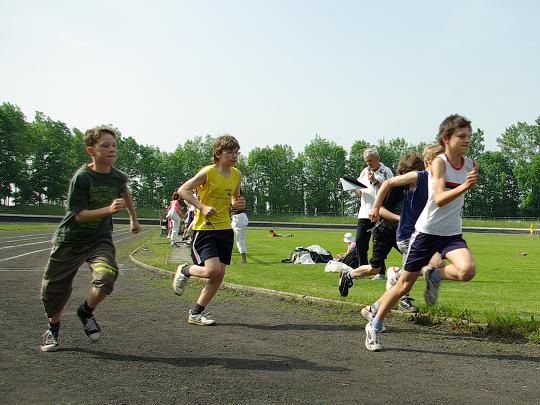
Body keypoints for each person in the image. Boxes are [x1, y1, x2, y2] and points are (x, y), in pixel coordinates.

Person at [364, 114, 478, 351]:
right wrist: (466, 186)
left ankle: (434, 276)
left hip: (451, 233)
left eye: (469, 135)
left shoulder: (468, 164)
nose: (467, 140)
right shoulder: (439, 164)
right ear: (447, 139)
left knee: (467, 271)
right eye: (462, 136)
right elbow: (439, 198)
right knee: (404, 286)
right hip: (426, 233)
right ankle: (374, 324)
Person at [40, 126, 141, 352]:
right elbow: (78, 215)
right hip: (70, 240)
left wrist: (133, 218)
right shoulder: (82, 178)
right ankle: (53, 328)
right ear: (91, 150)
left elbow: (125, 191)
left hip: (99, 239)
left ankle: (85, 311)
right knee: (53, 290)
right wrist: (108, 209)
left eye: (114, 145)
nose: (112, 149)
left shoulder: (118, 177)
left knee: (107, 276)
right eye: (105, 145)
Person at [353, 144, 444, 317]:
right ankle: (389, 302)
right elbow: (385, 189)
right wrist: (378, 208)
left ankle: (374, 308)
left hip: (421, 233)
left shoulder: (436, 181)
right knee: (430, 266)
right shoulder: (408, 182)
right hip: (401, 233)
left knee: (414, 273)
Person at [173, 135, 246, 326]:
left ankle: (196, 313)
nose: (234, 156)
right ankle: (185, 270)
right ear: (218, 154)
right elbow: (183, 190)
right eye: (229, 152)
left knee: (219, 274)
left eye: (236, 152)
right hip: (204, 229)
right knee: (212, 270)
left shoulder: (237, 174)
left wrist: (238, 203)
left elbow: (234, 199)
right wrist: (202, 206)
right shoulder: (208, 172)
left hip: (225, 229)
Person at [339, 153, 424, 306]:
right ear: (405, 172)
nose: (418, 176)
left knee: (413, 263)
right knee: (374, 269)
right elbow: (380, 210)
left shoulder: (418, 189)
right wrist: (401, 219)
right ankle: (348, 275)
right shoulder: (397, 188)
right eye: (415, 172)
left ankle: (403, 297)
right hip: (384, 231)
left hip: (403, 234)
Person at [354, 148, 393, 280]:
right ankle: (362, 269)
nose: (368, 164)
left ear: (377, 159)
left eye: (370, 161)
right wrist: (354, 188)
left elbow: (392, 190)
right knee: (360, 241)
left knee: (378, 243)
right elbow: (360, 191)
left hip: (380, 212)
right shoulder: (364, 172)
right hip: (364, 212)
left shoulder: (386, 171)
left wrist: (375, 181)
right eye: (366, 161)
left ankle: (380, 272)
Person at [231, 191, 249, 263]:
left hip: (238, 218)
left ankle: (244, 259)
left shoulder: (234, 198)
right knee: (228, 235)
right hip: (240, 217)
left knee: (239, 240)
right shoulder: (240, 197)